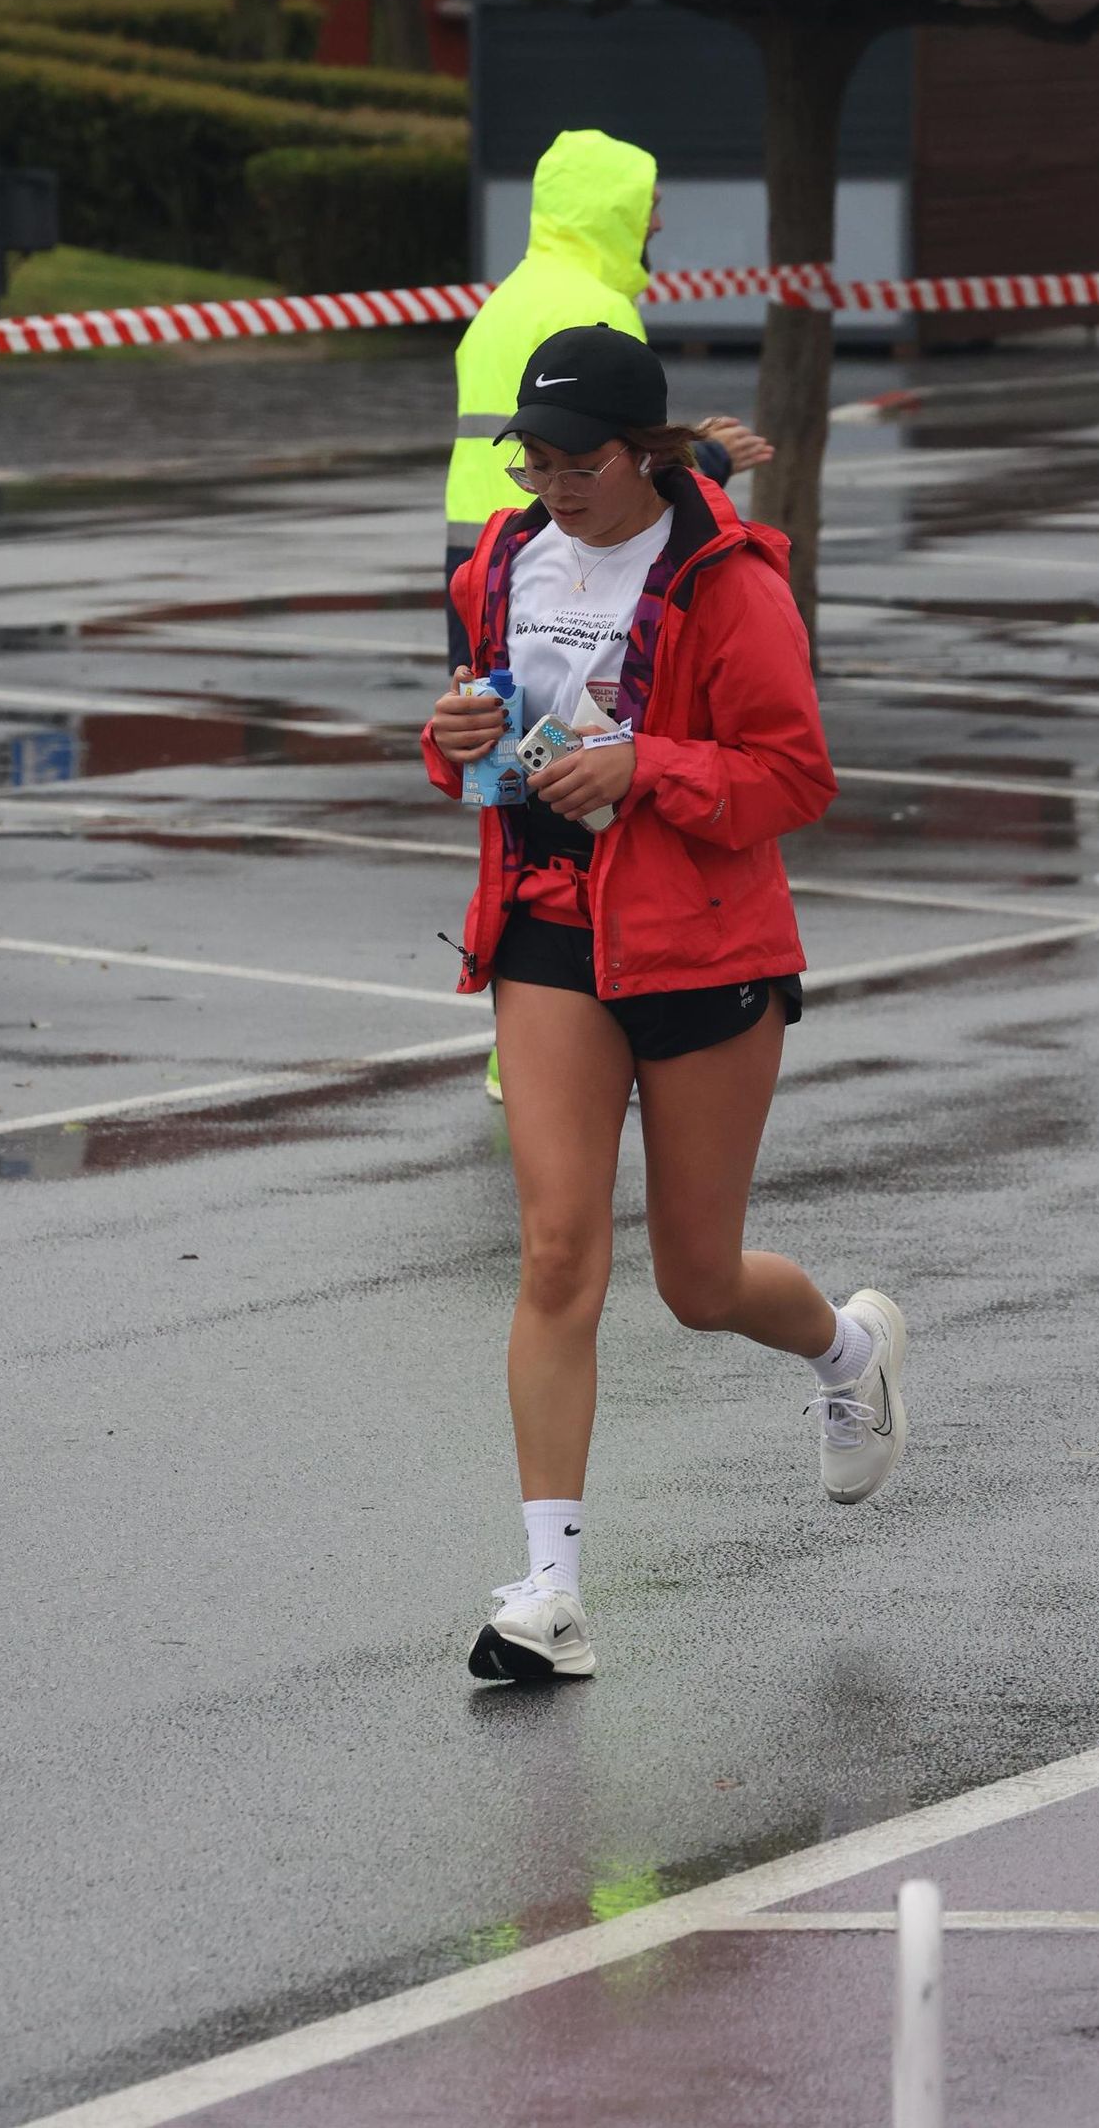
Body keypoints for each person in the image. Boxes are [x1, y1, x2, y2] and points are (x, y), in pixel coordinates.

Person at [422, 325, 908, 1684]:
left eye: (578, 464)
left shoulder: (730, 581)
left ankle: (849, 1350)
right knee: (556, 1252)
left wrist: (647, 767)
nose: (553, 487)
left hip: (703, 948)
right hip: (548, 931)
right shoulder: (500, 560)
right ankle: (551, 1592)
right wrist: (452, 741)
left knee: (699, 1279)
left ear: (645, 453)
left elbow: (794, 776)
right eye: (534, 461)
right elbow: (481, 736)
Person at [446, 129, 772, 1100]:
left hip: (490, 561)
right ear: (612, 207)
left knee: (513, 778)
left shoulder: (505, 297)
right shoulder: (597, 308)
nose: (659, 222)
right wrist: (708, 463)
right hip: (575, 559)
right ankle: (565, 1013)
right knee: (592, 781)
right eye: (649, 203)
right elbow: (620, 456)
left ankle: (534, 1019)